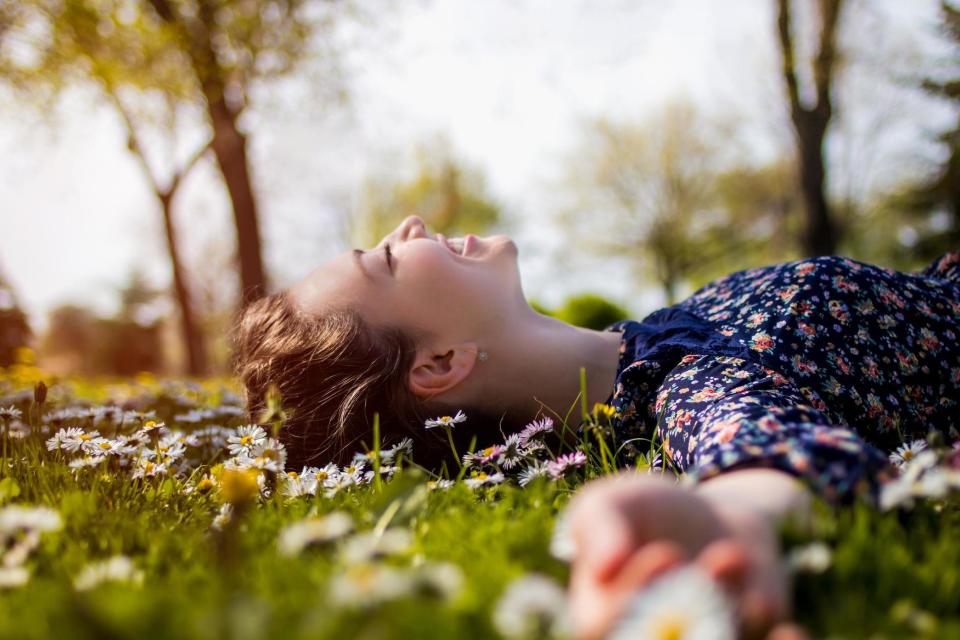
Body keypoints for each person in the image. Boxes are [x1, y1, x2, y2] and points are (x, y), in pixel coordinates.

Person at [230, 214, 960, 639]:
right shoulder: (687, 386)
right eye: (387, 257)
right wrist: (725, 527)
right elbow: (758, 456)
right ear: (439, 364)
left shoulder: (660, 338)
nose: (411, 224)